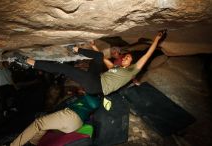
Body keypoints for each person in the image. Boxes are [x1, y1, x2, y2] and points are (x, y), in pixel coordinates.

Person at [15, 31, 166, 96]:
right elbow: (101, 59)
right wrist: (93, 46)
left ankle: (27, 62)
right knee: (99, 55)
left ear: (132, 62)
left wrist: (157, 40)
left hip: (96, 86)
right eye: (125, 56)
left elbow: (147, 54)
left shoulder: (132, 70)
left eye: (128, 58)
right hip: (97, 78)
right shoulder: (116, 67)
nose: (126, 58)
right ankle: (74, 48)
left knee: (63, 68)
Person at [9, 89, 100, 146]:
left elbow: (95, 103)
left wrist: (85, 93)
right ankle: (33, 143)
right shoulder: (78, 98)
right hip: (74, 122)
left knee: (38, 123)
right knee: (44, 124)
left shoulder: (94, 97)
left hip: (71, 117)